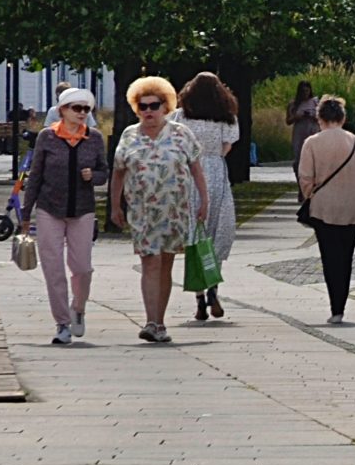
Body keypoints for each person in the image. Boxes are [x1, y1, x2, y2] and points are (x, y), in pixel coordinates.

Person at [107, 76, 207, 345]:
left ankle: (159, 321)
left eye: (154, 105)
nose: (148, 111)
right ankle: (151, 321)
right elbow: (118, 173)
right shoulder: (129, 135)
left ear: (166, 106)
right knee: (149, 262)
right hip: (142, 211)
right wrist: (115, 205)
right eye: (143, 106)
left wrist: (204, 201)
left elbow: (196, 168)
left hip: (174, 210)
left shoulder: (181, 133)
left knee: (165, 264)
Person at [19, 87, 106, 345]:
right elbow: (35, 176)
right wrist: (26, 213)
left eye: (86, 109)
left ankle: (78, 307)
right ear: (62, 111)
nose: (81, 113)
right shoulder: (47, 137)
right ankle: (62, 323)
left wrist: (95, 176)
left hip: (82, 209)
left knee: (81, 267)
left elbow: (104, 171)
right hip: (49, 208)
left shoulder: (94, 138)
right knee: (53, 267)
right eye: (76, 108)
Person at [296, 95, 355, 325]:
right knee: (346, 258)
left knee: (330, 258)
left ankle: (336, 308)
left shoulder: (311, 143)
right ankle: (340, 303)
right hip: (353, 208)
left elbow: (305, 179)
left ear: (319, 117)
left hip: (324, 208)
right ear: (342, 118)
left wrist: (312, 193)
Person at [175, 71, 241, 323]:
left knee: (195, 235)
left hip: (190, 174)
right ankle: (214, 290)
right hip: (215, 173)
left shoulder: (182, 116)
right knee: (215, 234)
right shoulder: (226, 117)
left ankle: (199, 298)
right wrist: (214, 154)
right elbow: (227, 146)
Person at [286, 80, 320, 168]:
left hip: (312, 130)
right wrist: (296, 117)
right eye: (303, 91)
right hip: (300, 132)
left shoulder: (315, 102)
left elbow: (322, 118)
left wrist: (312, 115)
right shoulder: (293, 104)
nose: (305, 93)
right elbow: (288, 121)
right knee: (299, 155)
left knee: (313, 155)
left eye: (307, 91)